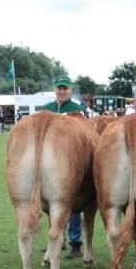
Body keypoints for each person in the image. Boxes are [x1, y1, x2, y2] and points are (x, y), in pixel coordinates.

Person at [41, 74, 85, 259]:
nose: (62, 91)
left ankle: (75, 242)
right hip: (50, 160)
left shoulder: (78, 109)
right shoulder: (46, 109)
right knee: (51, 202)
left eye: (65, 88)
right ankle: (56, 239)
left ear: (70, 90)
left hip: (71, 160)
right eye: (59, 87)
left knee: (72, 202)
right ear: (55, 89)